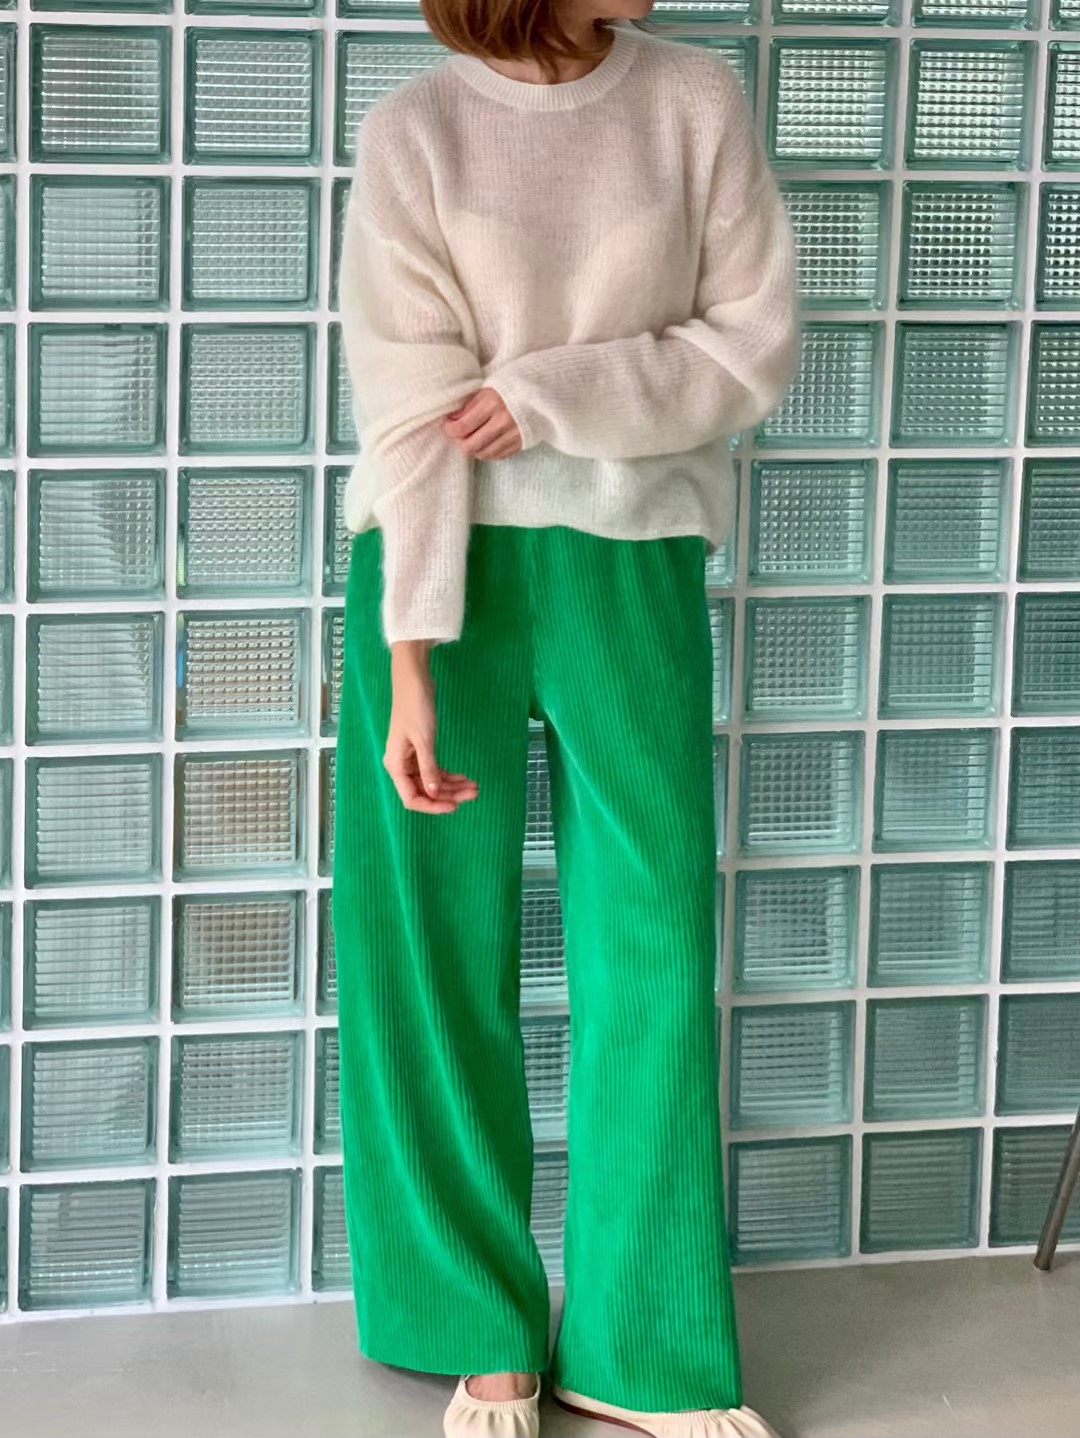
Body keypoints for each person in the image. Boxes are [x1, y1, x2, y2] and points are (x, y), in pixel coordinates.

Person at [332, 1, 800, 1433]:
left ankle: (642, 1344)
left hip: (630, 556)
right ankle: (475, 1323)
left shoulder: (694, 101)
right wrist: (412, 661)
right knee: (426, 948)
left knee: (651, 940)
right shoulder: (417, 129)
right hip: (436, 575)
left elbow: (752, 344)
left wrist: (548, 394)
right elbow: (409, 412)